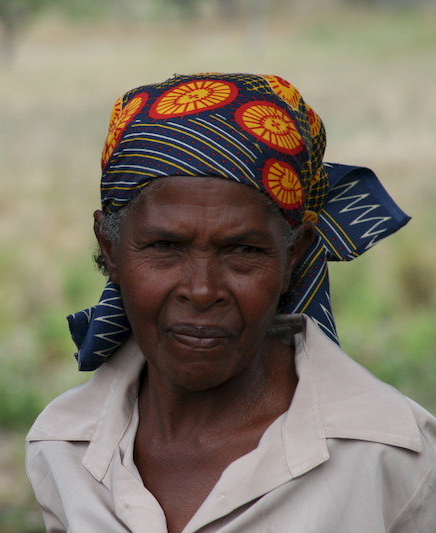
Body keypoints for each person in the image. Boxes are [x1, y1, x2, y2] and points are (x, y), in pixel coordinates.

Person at [25, 73, 436, 533]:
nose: (202, 290)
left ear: (293, 255)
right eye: (165, 246)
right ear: (111, 248)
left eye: (243, 251)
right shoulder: (65, 444)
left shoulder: (388, 455)